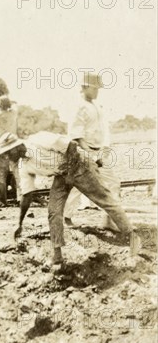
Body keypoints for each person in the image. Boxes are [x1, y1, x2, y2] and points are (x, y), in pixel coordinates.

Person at [0, 132, 141, 269]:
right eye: (5, 154)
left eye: (8, 153)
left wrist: (71, 171)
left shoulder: (39, 139)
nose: (8, 157)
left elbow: (71, 145)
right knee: (53, 212)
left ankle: (133, 236)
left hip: (79, 164)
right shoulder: (23, 166)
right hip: (62, 174)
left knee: (104, 200)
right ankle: (57, 256)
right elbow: (27, 195)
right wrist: (19, 223)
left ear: (16, 147)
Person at [64, 73, 120, 231]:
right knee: (78, 186)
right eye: (95, 88)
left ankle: (108, 220)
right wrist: (91, 154)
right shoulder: (79, 106)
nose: (97, 92)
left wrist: (102, 150)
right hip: (83, 151)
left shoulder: (95, 106)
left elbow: (100, 131)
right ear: (84, 87)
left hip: (98, 150)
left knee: (113, 183)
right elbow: (76, 136)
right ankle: (65, 217)